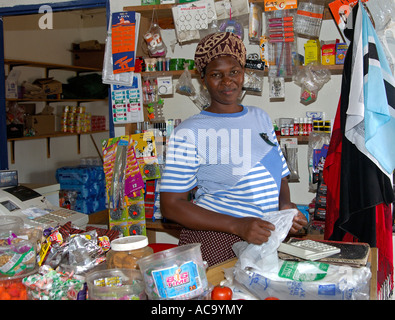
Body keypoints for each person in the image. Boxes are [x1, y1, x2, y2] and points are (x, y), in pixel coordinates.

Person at [160, 32, 307, 267]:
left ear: (243, 73)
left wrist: (286, 209)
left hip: (263, 235)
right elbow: (171, 204)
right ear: (203, 78)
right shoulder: (189, 132)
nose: (227, 82)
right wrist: (237, 225)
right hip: (217, 239)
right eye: (216, 74)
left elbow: (279, 175)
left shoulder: (261, 118)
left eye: (234, 72)